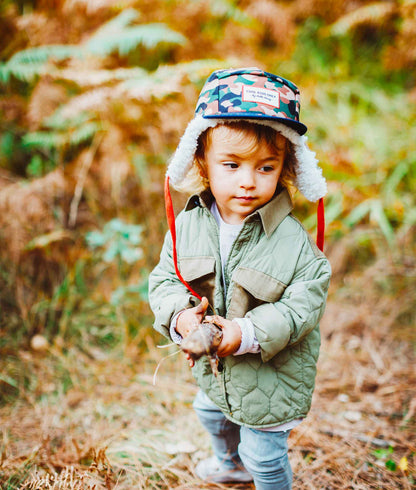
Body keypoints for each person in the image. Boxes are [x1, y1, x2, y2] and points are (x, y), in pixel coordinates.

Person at [148, 67, 331, 489]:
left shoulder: (292, 242)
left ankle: (258, 472)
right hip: (218, 373)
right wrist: (181, 317)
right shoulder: (188, 225)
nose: (248, 181)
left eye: (266, 168)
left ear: (286, 167)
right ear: (201, 162)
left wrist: (246, 333)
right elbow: (166, 279)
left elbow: (304, 304)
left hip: (272, 375)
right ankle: (228, 464)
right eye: (231, 165)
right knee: (210, 412)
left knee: (263, 456)